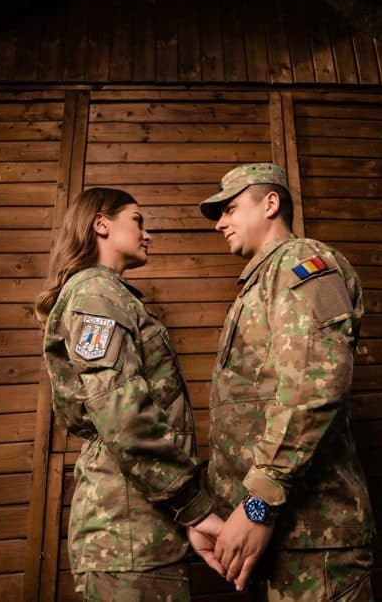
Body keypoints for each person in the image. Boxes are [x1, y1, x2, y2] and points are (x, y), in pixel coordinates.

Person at [35, 187, 224, 600]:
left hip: (142, 531)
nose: (147, 233)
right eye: (138, 220)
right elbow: (124, 417)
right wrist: (195, 507)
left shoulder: (109, 295)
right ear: (101, 224)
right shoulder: (95, 295)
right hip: (126, 537)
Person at [198, 163, 375, 600]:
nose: (221, 223)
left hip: (314, 534)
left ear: (271, 203)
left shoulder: (301, 264)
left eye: (231, 208)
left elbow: (315, 389)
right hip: (277, 534)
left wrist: (258, 504)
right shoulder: (260, 281)